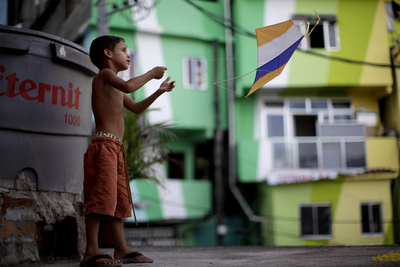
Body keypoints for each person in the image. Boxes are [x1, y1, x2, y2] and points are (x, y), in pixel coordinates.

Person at [81, 35, 175, 267]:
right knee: (100, 198)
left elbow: (136, 108)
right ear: (108, 54)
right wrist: (151, 73)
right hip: (104, 146)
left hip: (116, 149)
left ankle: (121, 249)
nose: (128, 54)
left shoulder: (115, 86)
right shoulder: (105, 76)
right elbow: (130, 85)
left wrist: (159, 90)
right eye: (124, 49)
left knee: (118, 200)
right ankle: (91, 251)